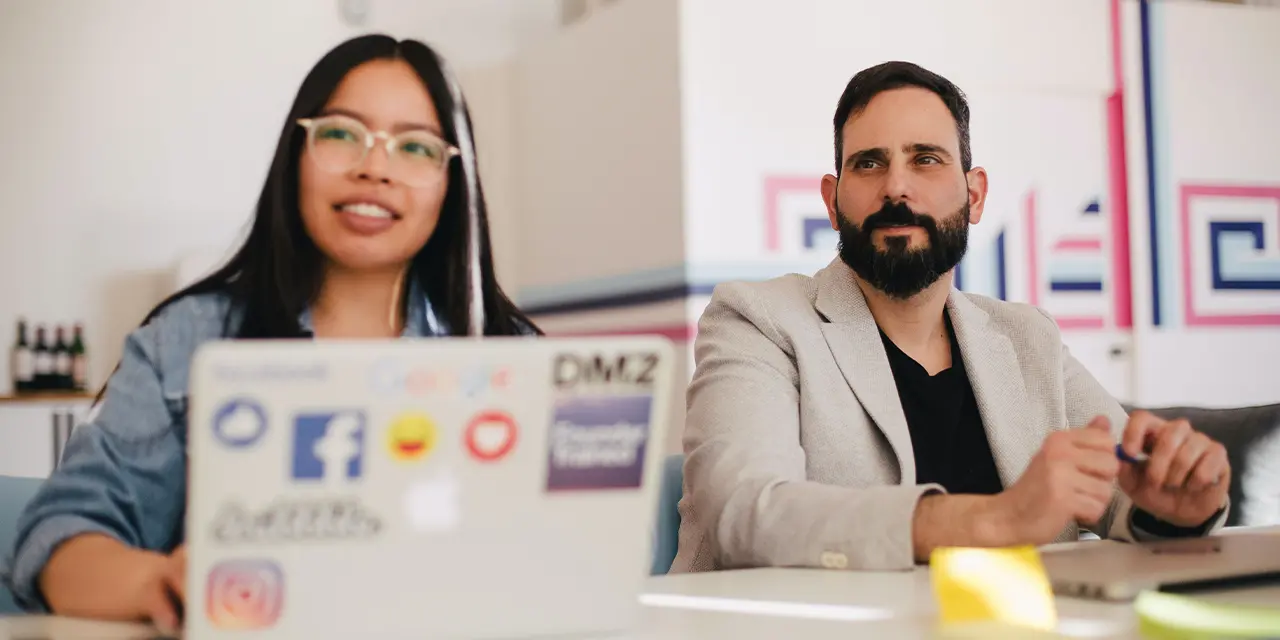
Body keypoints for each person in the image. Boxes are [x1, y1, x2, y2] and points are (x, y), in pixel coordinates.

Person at [0, 34, 538, 629]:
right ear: (295, 157)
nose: (374, 167)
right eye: (341, 134)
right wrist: (160, 581)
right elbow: (60, 536)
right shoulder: (187, 341)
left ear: (453, 183)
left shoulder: (517, 357)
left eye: (415, 147)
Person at [670, 61, 1230, 573]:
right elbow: (745, 514)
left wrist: (1175, 504)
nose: (896, 187)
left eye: (926, 159)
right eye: (869, 163)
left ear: (975, 195)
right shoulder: (759, 320)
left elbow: (1127, 493)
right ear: (833, 202)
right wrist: (998, 520)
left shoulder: (1027, 337)